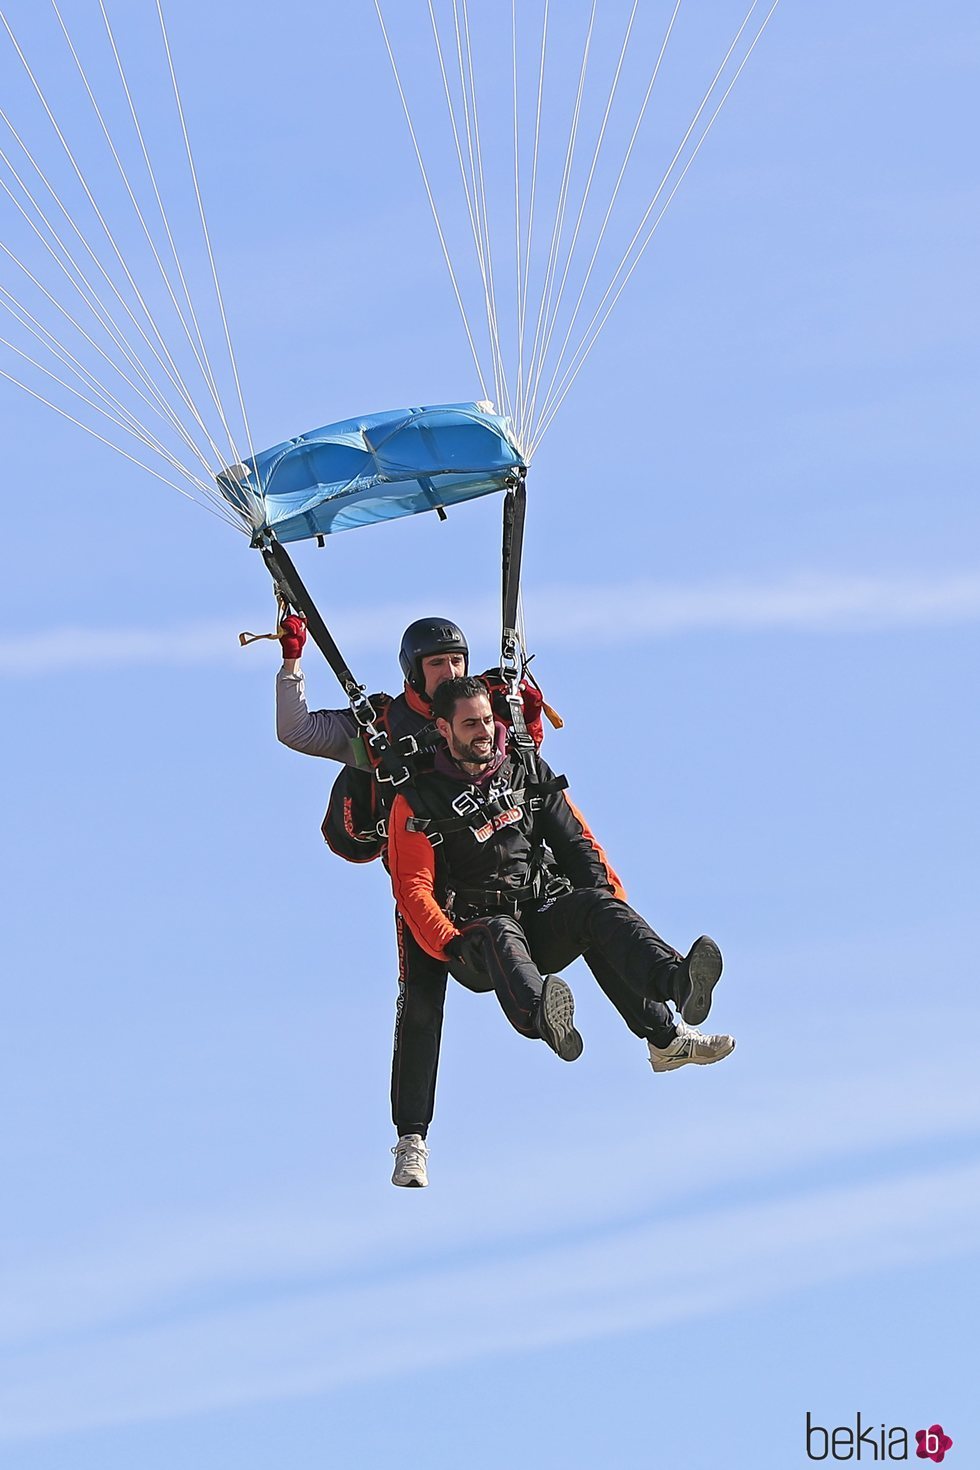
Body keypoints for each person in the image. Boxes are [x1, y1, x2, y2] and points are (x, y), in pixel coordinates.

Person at [275, 616, 544, 1189]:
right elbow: (296, 730)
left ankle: (648, 1024)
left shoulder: (483, 709)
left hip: (494, 873)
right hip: (425, 884)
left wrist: (526, 711)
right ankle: (411, 1139)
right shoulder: (380, 727)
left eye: (456, 662)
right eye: (437, 665)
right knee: (421, 1005)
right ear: (414, 675)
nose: (451, 673)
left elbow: (521, 765)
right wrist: (293, 662)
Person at [387, 676, 735, 1106]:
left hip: (539, 919)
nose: (482, 733)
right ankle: (543, 1017)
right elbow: (412, 888)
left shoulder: (525, 769)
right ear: (444, 729)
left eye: (485, 721)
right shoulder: (419, 798)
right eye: (469, 726)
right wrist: (448, 942)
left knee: (594, 905)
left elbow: (576, 842)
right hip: (476, 944)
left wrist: (610, 914)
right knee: (500, 931)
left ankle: (677, 982)